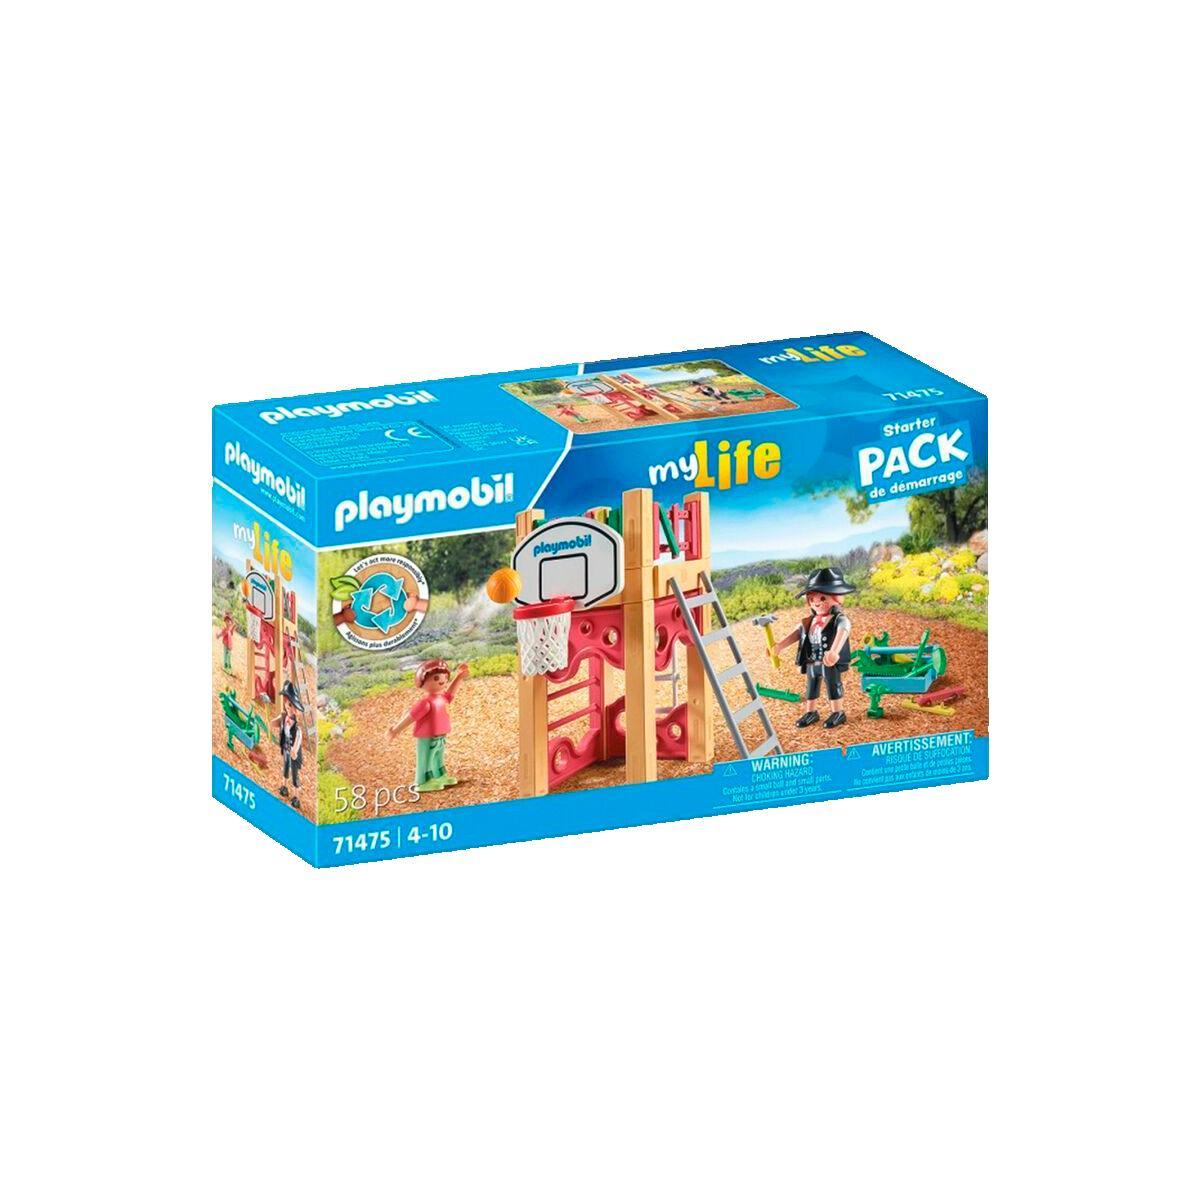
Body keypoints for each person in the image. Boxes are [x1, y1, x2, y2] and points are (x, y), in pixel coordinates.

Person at [774, 567, 856, 730]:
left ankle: (837, 712)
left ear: (837, 598)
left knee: (833, 685)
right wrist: (780, 646)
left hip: (828, 661)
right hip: (812, 660)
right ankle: (811, 712)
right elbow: (797, 634)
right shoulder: (809, 621)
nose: (816, 602)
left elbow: (843, 632)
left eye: (823, 597)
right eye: (812, 599)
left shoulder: (839, 619)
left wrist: (834, 651)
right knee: (811, 686)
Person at [388, 659, 469, 793]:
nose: (442, 681)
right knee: (425, 758)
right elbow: (410, 717)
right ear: (422, 681)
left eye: (445, 677)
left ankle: (439, 775)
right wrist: (395, 730)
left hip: (440, 735)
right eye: (436, 678)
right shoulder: (425, 703)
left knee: (438, 756)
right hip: (427, 737)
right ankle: (422, 781)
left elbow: (450, 693)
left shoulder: (441, 698)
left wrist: (459, 677)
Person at [271, 680, 305, 808]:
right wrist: (273, 721)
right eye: (287, 703)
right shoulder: (284, 717)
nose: (288, 706)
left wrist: (295, 750)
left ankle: (296, 797)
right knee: (285, 768)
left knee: (295, 774)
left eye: (291, 705)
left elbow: (298, 738)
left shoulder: (297, 727)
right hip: (286, 749)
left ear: (295, 710)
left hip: (293, 753)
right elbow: (275, 723)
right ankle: (284, 787)